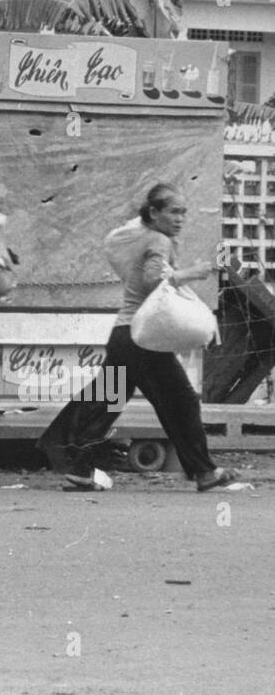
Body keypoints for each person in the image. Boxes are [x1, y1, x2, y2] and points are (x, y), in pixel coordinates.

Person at [37, 183, 238, 493]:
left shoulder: (144, 237)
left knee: (106, 401)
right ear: (154, 213)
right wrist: (192, 273)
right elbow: (152, 280)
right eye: (173, 211)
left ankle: (77, 465)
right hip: (142, 340)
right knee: (180, 401)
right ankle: (204, 471)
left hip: (124, 336)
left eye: (184, 212)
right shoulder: (159, 240)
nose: (180, 218)